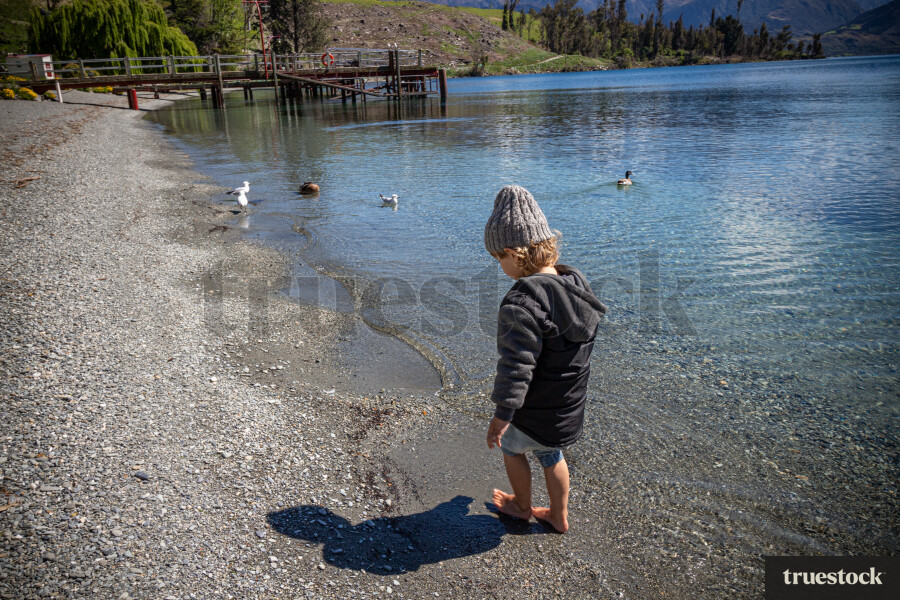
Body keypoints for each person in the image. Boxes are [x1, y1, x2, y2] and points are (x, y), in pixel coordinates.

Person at [483, 185, 607, 533]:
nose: (500, 266)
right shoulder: (576, 283)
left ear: (513, 253)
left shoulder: (521, 303)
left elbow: (516, 366)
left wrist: (502, 415)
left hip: (533, 409)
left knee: (512, 448)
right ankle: (558, 515)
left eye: (499, 259)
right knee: (552, 454)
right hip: (568, 405)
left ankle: (522, 506)